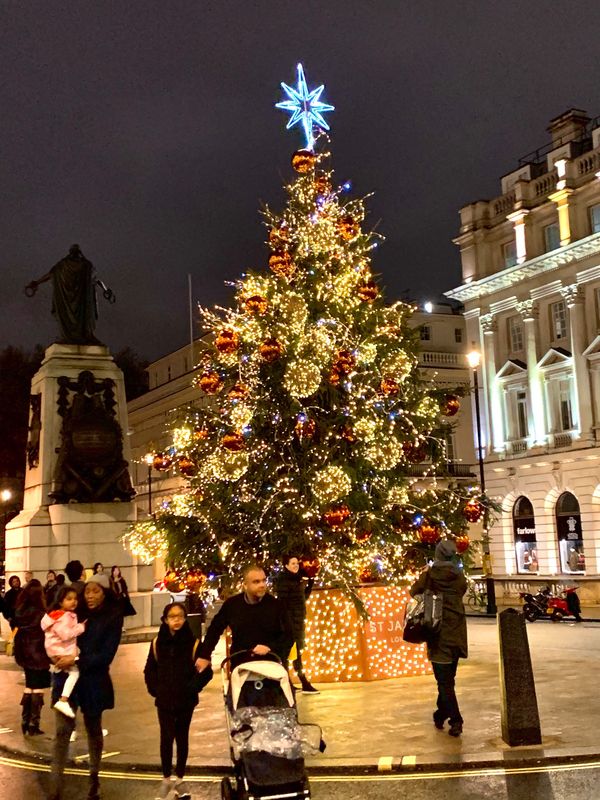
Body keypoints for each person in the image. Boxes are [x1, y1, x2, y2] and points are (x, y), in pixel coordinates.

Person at [48, 573, 123, 800]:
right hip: (66, 679)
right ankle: (55, 786)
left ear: (105, 592)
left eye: (96, 591)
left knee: (93, 728)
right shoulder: (74, 611)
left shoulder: (113, 617)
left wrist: (76, 660)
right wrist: (54, 654)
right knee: (62, 731)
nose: (90, 596)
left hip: (93, 680)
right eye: (87, 591)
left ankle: (94, 777)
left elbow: (106, 655)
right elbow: (55, 633)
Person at [144, 602, 211, 800]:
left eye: (180, 616)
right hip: (164, 699)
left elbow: (206, 672)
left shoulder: (194, 643)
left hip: (185, 700)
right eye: (172, 617)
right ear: (165, 620)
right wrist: (155, 690)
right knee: (166, 737)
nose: (177, 620)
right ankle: (166, 779)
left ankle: (180, 779)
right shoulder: (157, 643)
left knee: (182, 737)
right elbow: (149, 669)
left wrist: (192, 687)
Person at [410, 539, 467, 738]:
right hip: (457, 633)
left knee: (445, 683)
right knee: (448, 679)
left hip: (438, 632)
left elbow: (413, 591)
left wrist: (426, 574)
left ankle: (456, 720)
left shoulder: (431, 575)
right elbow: (460, 592)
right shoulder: (459, 577)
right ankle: (440, 713)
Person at [195, 564, 293, 673]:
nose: (262, 585)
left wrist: (270, 647)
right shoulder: (232, 605)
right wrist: (204, 655)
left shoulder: (276, 605)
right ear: (245, 585)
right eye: (256, 582)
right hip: (241, 663)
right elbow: (214, 629)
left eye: (264, 581)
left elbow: (289, 635)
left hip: (271, 662)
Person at [273, 555, 319, 693]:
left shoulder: (296, 580)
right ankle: (301, 681)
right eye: (292, 563)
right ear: (286, 565)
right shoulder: (284, 581)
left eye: (297, 563)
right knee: (290, 653)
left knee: (295, 652)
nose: (296, 565)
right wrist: (286, 623)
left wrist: (310, 583)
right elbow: (283, 604)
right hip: (290, 623)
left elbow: (303, 598)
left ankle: (294, 682)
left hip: (298, 622)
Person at [13, 579, 51, 735]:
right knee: (38, 688)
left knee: (29, 686)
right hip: (38, 652)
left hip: (24, 651)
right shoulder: (41, 614)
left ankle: (24, 720)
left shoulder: (20, 610)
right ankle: (33, 724)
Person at [41, 586, 86, 718]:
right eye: (69, 599)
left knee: (64, 671)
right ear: (61, 602)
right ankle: (63, 700)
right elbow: (66, 635)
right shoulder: (64, 616)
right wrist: (81, 627)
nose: (73, 602)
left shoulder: (56, 615)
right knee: (74, 673)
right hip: (61, 650)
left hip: (55, 650)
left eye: (75, 599)